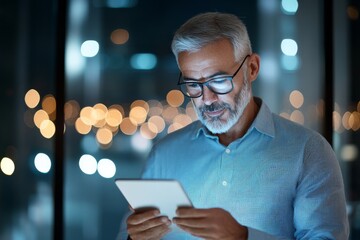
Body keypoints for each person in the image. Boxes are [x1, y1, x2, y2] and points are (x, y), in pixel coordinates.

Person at [120, 12, 349, 240]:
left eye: (219, 81)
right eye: (193, 84)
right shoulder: (164, 153)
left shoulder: (308, 151)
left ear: (252, 69)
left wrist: (242, 236)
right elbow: (126, 234)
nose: (207, 98)